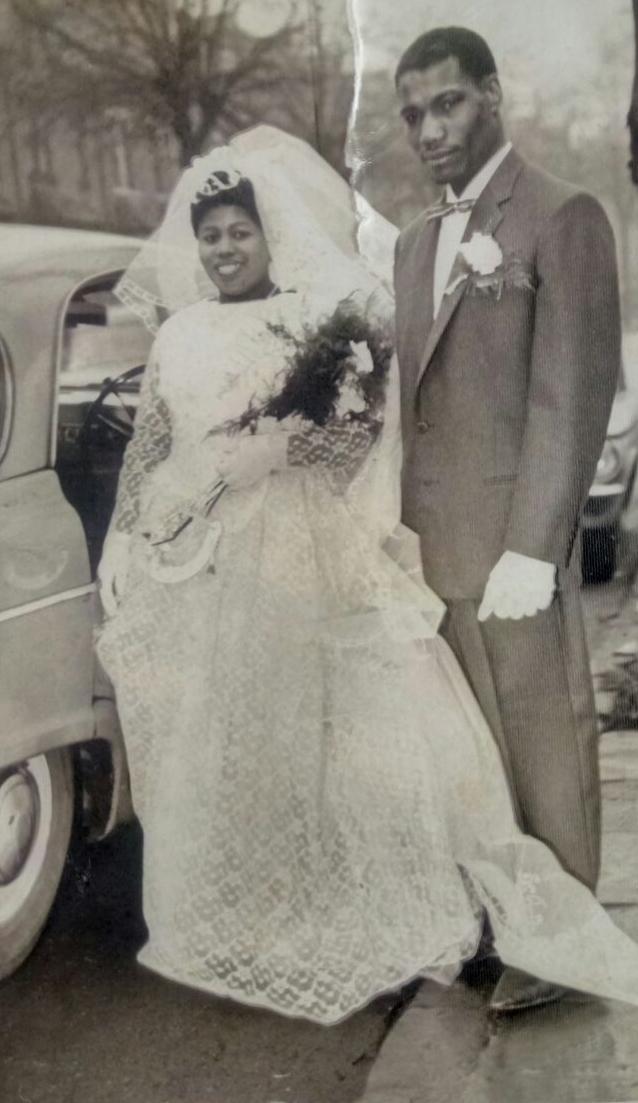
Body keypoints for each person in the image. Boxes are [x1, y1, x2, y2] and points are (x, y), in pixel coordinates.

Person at [97, 125, 638, 1026]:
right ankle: (245, 913)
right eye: (212, 236)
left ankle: (330, 910)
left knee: (314, 728)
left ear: (270, 235)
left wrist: (279, 449)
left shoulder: (316, 322)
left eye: (240, 232)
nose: (226, 249)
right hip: (198, 561)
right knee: (223, 734)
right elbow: (151, 445)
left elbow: (353, 436)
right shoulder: (181, 333)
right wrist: (122, 538)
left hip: (297, 549)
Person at [393, 26, 621, 1012]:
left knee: (541, 741)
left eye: (446, 103)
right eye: (412, 114)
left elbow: (571, 387)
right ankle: (499, 919)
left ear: (490, 94)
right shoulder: (412, 242)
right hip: (431, 544)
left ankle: (562, 944)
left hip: (512, 542)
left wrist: (536, 542)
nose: (428, 130)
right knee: (470, 752)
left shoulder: (561, 215)